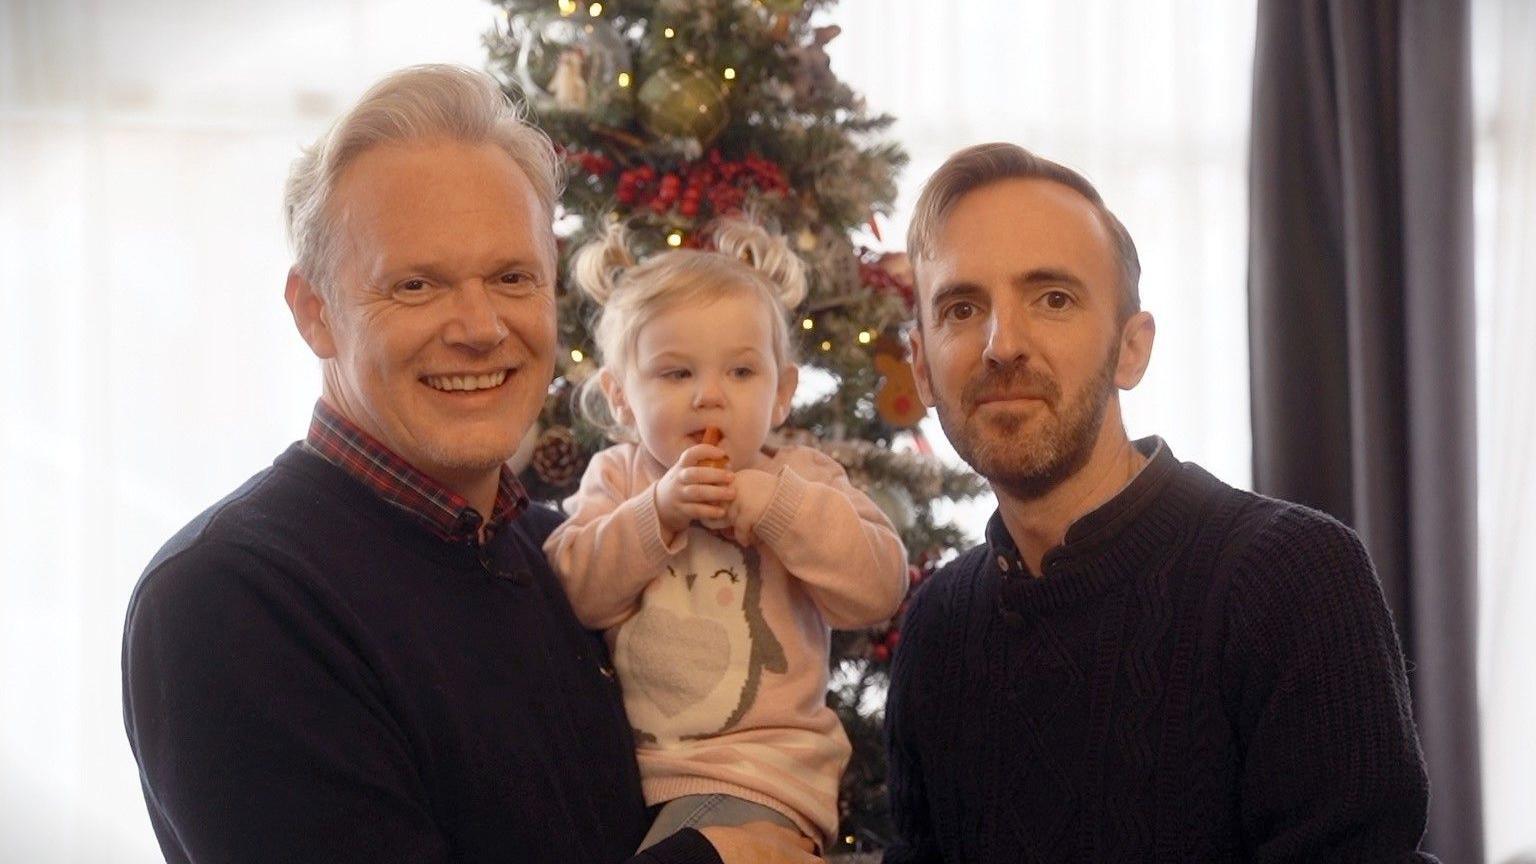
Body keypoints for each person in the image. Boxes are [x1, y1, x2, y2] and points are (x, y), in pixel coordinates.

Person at [120, 64, 819, 864]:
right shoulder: (233, 599)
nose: (482, 327)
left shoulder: (562, 558)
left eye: (513, 277)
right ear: (315, 312)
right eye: (417, 285)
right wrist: (722, 860)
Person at [883, 142, 1436, 863]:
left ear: (1131, 349)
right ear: (922, 367)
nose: (1002, 345)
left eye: (1053, 298)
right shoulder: (938, 628)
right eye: (961, 307)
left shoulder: (1292, 579)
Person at [544, 219, 909, 853]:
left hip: (763, 778)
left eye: (740, 373)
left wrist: (779, 509)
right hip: (630, 782)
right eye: (675, 374)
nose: (709, 397)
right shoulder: (621, 478)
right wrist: (656, 513)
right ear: (621, 397)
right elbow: (572, 589)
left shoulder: (800, 478)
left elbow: (878, 588)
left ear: (782, 393)